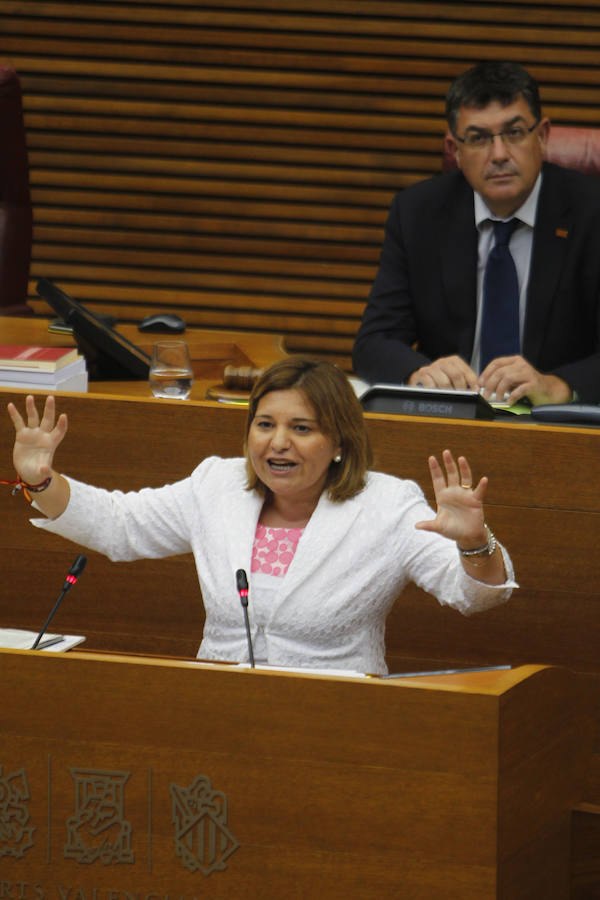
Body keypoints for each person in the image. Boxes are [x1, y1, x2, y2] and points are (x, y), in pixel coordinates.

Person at [6, 356, 517, 674]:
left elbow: (473, 595)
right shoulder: (217, 485)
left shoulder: (386, 505)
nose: (277, 443)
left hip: (338, 724)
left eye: (301, 428)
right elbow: (119, 525)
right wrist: (41, 482)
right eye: (265, 424)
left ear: (339, 442)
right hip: (218, 714)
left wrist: (474, 543)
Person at [353, 60, 600, 406]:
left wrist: (558, 386)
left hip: (558, 425)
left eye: (514, 133)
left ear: (542, 136)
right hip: (453, 422)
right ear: (456, 150)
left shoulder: (591, 214)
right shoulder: (418, 214)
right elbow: (373, 341)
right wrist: (419, 374)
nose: (499, 155)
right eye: (479, 139)